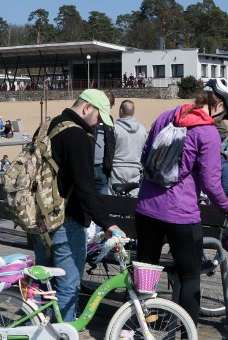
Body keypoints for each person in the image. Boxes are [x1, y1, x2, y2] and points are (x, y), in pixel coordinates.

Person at [135, 78, 228, 330]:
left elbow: (145, 154)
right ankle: (185, 337)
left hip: (146, 208)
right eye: (223, 115)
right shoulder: (208, 132)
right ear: (219, 105)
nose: (220, 120)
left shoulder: (167, 115)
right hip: (181, 214)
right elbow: (212, 184)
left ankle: (140, 328)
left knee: (145, 273)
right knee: (189, 277)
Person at [32, 88, 122, 323]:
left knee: (44, 285)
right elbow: (85, 187)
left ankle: (42, 335)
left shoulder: (47, 126)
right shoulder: (78, 136)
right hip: (66, 221)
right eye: (98, 118)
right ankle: (64, 338)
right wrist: (108, 223)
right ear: (87, 108)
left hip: (40, 218)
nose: (97, 124)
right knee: (67, 287)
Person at [109, 100, 147, 197]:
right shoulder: (142, 129)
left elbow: (110, 150)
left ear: (121, 110)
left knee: (115, 201)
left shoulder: (115, 128)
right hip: (135, 169)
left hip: (118, 168)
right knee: (133, 201)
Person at [93, 90, 116, 195]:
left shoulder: (109, 119)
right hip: (90, 166)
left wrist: (108, 165)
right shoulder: (91, 118)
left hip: (102, 167)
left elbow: (110, 143)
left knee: (103, 200)